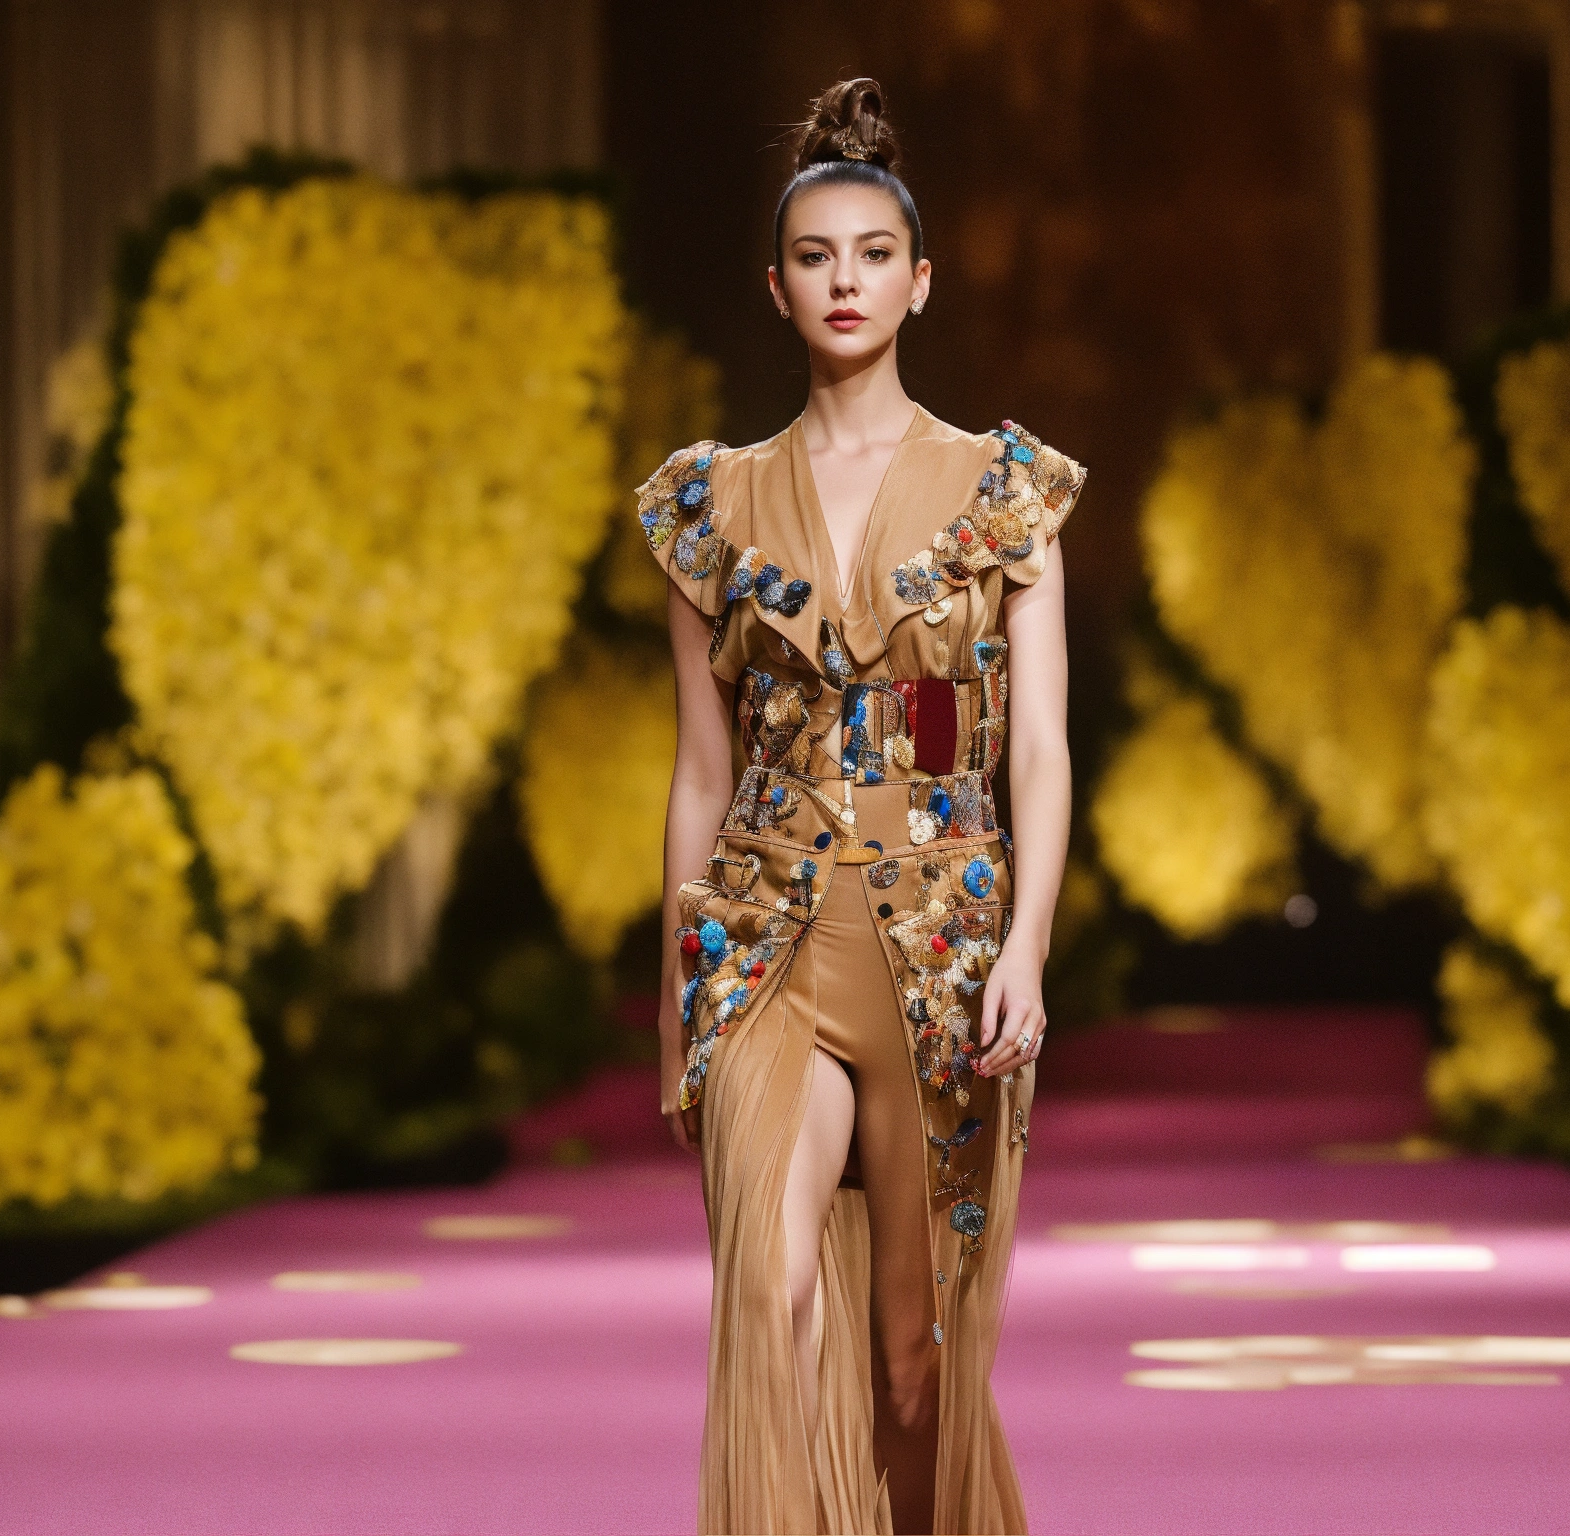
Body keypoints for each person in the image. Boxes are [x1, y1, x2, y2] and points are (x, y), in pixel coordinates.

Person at [643, 78, 1079, 1536]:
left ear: (920, 281)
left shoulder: (1005, 495)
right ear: (775, 287)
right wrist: (677, 1001)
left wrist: (1028, 949)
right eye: (816, 257)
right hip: (761, 933)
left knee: (911, 1364)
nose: (846, 280)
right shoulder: (709, 506)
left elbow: (1040, 750)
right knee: (768, 1290)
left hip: (940, 944)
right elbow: (700, 771)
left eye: (874, 255)